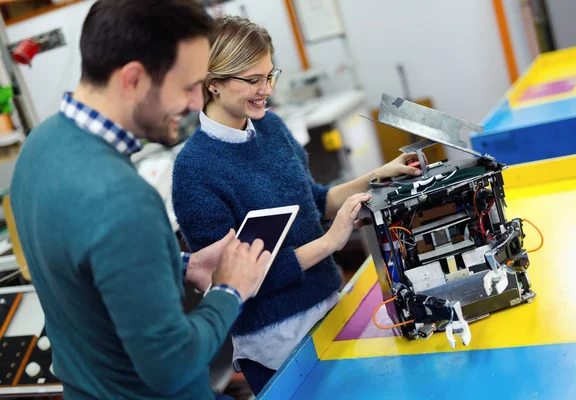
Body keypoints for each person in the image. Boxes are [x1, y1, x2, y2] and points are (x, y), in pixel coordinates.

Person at [10, 2, 271, 399]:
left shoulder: (40, 146)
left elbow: (89, 269)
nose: (196, 104)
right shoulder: (123, 200)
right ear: (133, 79)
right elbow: (171, 364)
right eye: (186, 87)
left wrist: (184, 263)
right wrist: (230, 290)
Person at [171, 16, 423, 395]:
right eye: (253, 80)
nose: (266, 90)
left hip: (331, 310)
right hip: (275, 344)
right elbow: (236, 280)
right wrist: (329, 243)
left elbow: (316, 201)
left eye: (270, 76)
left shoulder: (272, 129)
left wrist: (380, 175)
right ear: (213, 83)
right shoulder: (194, 171)